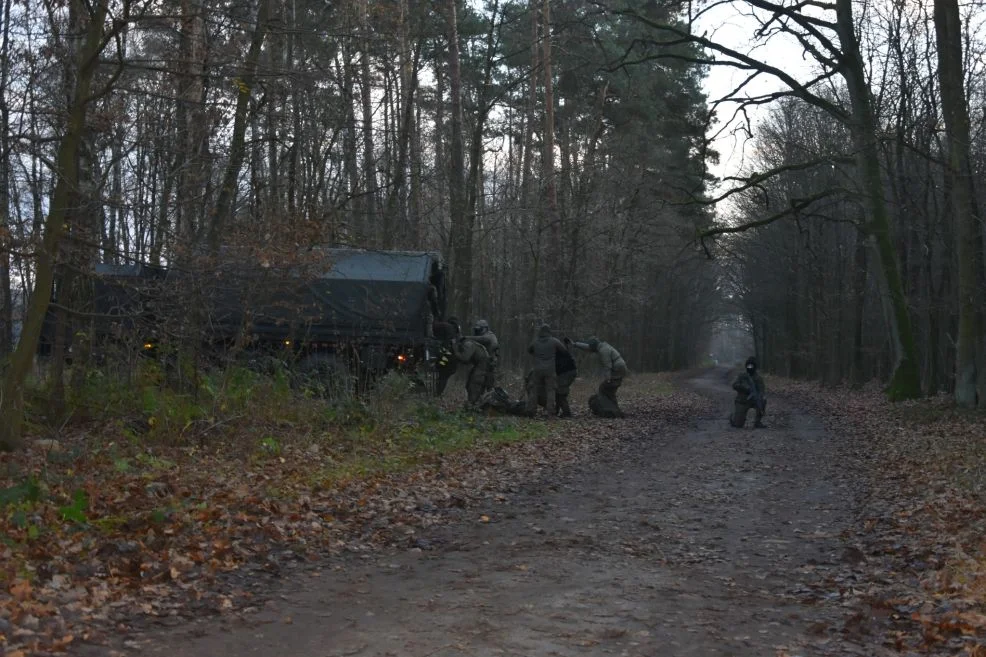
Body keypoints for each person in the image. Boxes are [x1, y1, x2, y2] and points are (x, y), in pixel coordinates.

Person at [572, 336, 627, 417]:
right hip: (619, 368)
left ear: (594, 346)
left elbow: (607, 365)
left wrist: (608, 378)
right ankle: (614, 410)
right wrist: (575, 344)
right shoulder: (600, 346)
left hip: (617, 369)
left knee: (604, 388)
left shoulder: (603, 350)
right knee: (610, 391)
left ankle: (610, 410)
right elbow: (588, 347)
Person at [526, 324, 567, 417]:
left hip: (537, 370)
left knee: (534, 390)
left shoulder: (535, 342)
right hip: (550, 370)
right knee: (550, 391)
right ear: (549, 332)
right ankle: (550, 412)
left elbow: (529, 350)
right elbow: (564, 351)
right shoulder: (554, 341)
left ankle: (531, 411)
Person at [451, 331, 489, 407]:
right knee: (469, 385)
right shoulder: (469, 343)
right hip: (480, 365)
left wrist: (455, 349)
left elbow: (464, 358)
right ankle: (474, 404)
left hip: (483, 367)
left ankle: (473, 405)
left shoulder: (468, 344)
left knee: (473, 385)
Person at [730, 356, 766, 428]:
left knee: (762, 401)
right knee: (738, 425)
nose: (750, 367)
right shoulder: (742, 376)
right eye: (748, 366)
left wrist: (759, 396)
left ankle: (757, 422)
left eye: (751, 366)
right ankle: (734, 418)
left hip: (754, 400)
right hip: (742, 401)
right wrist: (744, 387)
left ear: (755, 367)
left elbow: (762, 390)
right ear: (746, 366)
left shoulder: (758, 378)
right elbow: (734, 385)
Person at [464, 319, 498, 392]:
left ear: (485, 329)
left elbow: (484, 339)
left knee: (489, 388)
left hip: (490, 366)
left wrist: (467, 338)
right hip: (483, 366)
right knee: (475, 385)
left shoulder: (490, 335)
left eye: (479, 330)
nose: (477, 332)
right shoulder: (481, 337)